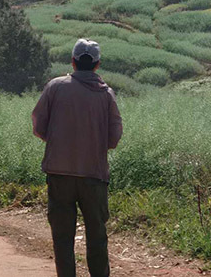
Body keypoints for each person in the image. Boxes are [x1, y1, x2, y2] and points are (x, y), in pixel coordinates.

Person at [32, 38, 123, 277]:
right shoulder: (106, 95)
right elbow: (113, 139)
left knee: (62, 239)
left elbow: (39, 127)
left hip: (59, 174)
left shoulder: (55, 87)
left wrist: (61, 143)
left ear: (72, 62)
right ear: (97, 64)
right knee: (97, 237)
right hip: (93, 176)